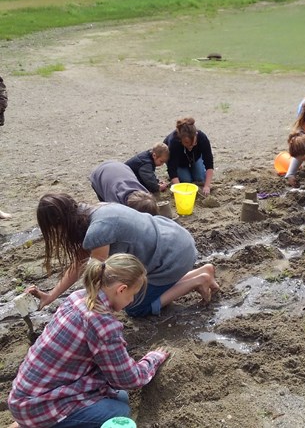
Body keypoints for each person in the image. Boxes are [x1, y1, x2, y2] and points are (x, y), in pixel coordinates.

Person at [8, 254, 169, 428]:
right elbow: (129, 379)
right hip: (39, 405)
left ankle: (28, 422)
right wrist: (152, 359)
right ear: (121, 289)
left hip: (24, 395)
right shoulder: (102, 323)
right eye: (133, 295)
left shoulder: (78, 297)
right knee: (119, 412)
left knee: (119, 395)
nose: (131, 301)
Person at [28, 193, 219, 317]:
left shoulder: (97, 231)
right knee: (132, 291)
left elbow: (98, 279)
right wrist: (51, 296)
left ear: (59, 225)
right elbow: (80, 263)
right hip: (174, 239)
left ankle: (198, 280)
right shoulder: (91, 211)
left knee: (134, 307)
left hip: (170, 257)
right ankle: (202, 272)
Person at [163, 117, 214, 196]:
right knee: (187, 180)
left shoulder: (202, 138)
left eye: (194, 143)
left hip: (194, 157)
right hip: (178, 162)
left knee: (200, 178)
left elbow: (209, 162)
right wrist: (179, 189)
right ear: (180, 139)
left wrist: (207, 186)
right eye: (186, 143)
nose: (190, 146)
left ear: (196, 135)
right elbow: (172, 168)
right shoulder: (174, 142)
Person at [89, 160, 159, 215]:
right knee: (105, 208)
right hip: (99, 173)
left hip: (120, 167)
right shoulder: (114, 203)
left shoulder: (144, 193)